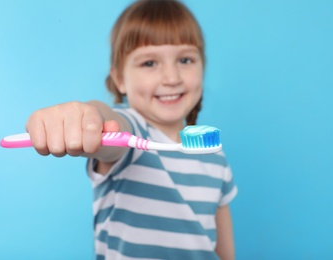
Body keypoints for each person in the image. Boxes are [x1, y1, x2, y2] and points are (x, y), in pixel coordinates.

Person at [25, 0, 237, 259]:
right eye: (149, 63)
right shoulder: (133, 134)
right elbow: (111, 130)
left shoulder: (214, 155)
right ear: (120, 79)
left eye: (185, 59)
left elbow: (224, 251)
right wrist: (88, 117)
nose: (172, 78)